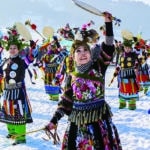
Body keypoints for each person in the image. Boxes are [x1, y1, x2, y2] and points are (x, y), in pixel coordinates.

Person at [45, 12, 122, 150]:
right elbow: (66, 101)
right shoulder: (71, 75)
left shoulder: (98, 66)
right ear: (73, 56)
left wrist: (108, 24)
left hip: (99, 123)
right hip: (77, 125)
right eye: (78, 51)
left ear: (90, 53)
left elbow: (109, 47)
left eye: (85, 50)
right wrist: (54, 120)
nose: (82, 53)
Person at [0, 25, 34, 145]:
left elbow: (29, 60)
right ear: (8, 49)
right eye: (11, 48)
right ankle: (12, 132)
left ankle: (20, 137)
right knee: (8, 112)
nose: (12, 49)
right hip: (8, 91)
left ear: (18, 49)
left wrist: (31, 50)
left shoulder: (21, 60)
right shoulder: (6, 61)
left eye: (15, 48)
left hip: (18, 91)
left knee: (18, 112)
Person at [113, 31, 139, 110]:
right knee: (122, 88)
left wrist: (136, 68)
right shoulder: (121, 55)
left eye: (129, 48)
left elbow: (137, 62)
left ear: (131, 48)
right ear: (124, 48)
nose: (127, 49)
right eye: (126, 47)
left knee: (131, 88)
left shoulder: (134, 55)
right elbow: (119, 64)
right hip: (122, 74)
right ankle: (122, 103)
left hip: (131, 74)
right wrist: (116, 71)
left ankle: (132, 104)